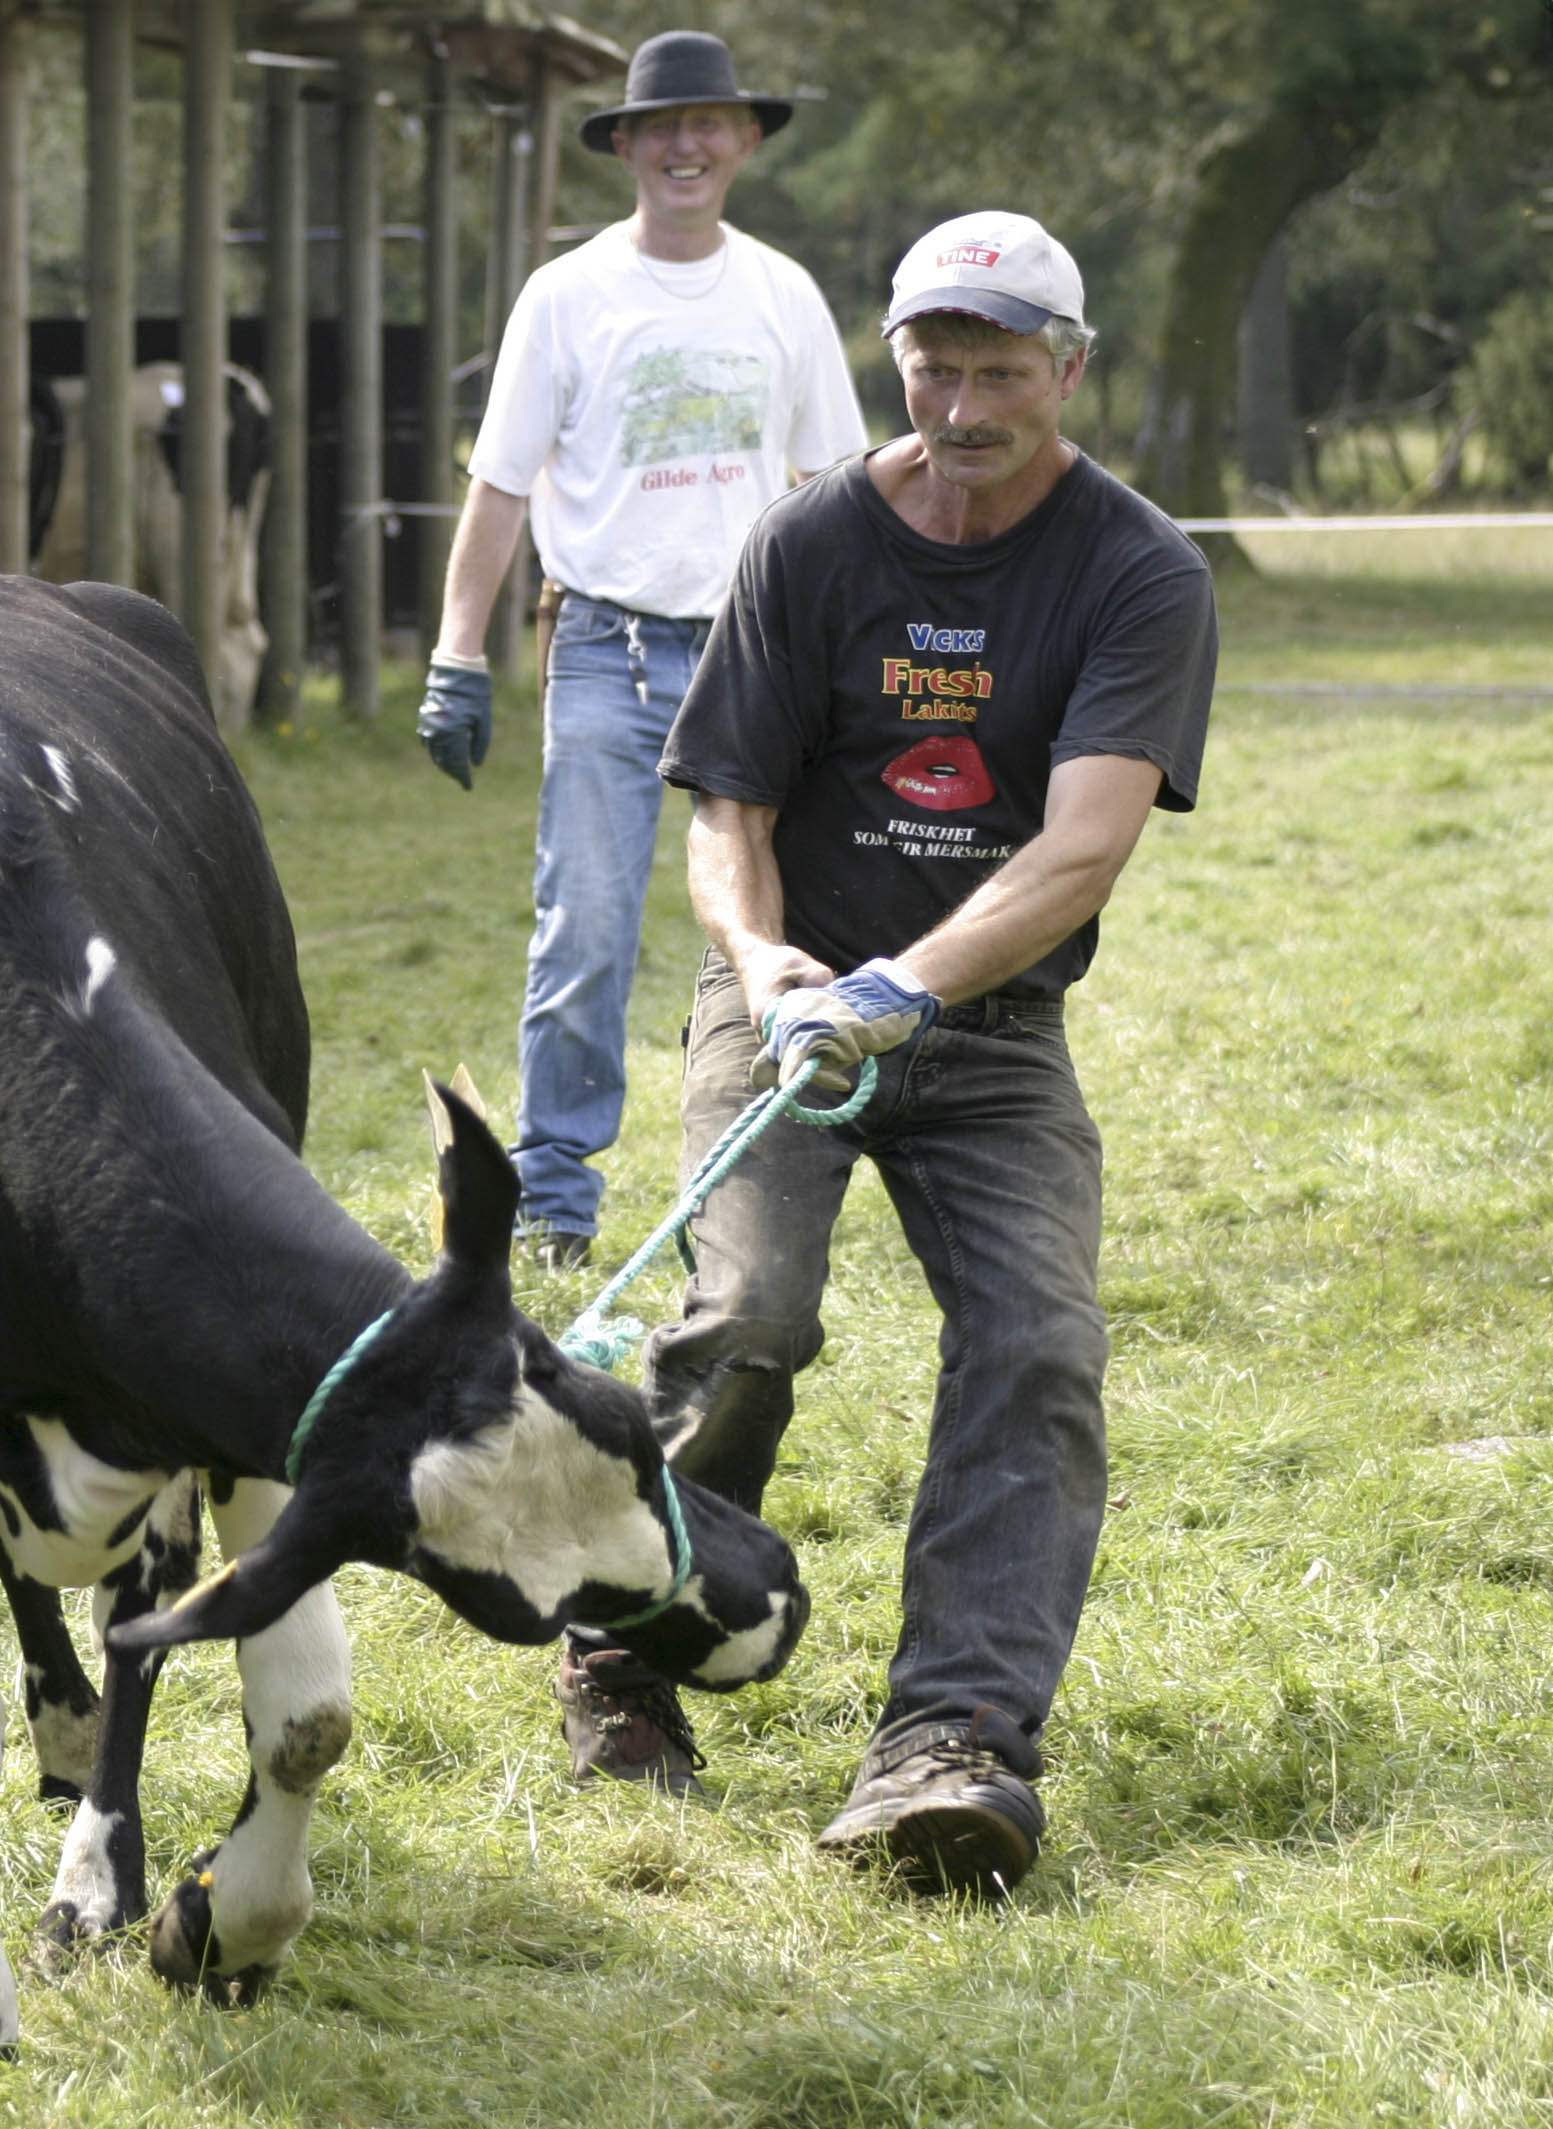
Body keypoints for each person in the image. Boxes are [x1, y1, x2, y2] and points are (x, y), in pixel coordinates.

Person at [557, 211, 1216, 1900]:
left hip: (982, 1029)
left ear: (1067, 369)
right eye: (935, 364)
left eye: (1002, 369)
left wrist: (901, 987)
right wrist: (768, 964)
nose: (963, 400)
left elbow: (1079, 848)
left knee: (1036, 1342)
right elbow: (726, 813)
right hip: (785, 1009)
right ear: (893, 358)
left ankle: (954, 1738)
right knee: (748, 1310)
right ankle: (632, 1642)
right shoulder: (808, 543)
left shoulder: (1135, 570)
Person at [417, 30, 868, 1270]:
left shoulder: (782, 295)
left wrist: (856, 653)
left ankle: (750, 1181)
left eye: (708, 123)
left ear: (746, 141)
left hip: (757, 654)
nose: (684, 145)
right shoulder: (566, 295)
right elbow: (500, 486)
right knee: (589, 929)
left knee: (773, 919)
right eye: (659, 126)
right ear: (622, 145)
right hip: (606, 649)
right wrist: (460, 653)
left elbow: (833, 487)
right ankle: (557, 1202)